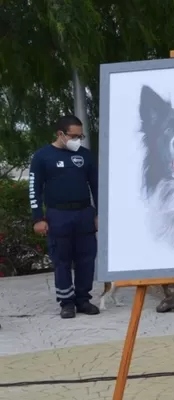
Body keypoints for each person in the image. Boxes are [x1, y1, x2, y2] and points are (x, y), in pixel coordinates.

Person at [29, 115, 100, 319]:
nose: (78, 139)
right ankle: (66, 302)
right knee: (62, 260)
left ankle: (83, 299)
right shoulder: (43, 156)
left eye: (80, 135)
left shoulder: (85, 156)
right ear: (60, 134)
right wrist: (38, 218)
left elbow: (96, 186)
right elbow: (34, 189)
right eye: (74, 136)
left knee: (86, 259)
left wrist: (99, 214)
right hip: (58, 215)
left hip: (84, 214)